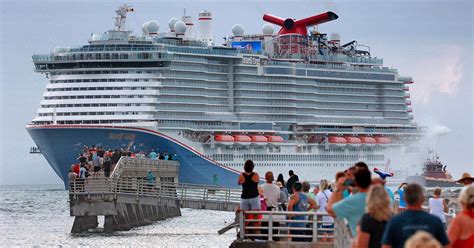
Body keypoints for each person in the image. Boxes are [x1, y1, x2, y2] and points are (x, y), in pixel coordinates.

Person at [381, 183, 449, 248]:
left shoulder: (394, 221)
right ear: (422, 199)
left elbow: (386, 246)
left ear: (405, 198)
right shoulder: (435, 221)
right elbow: (446, 245)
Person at [327, 166, 372, 237]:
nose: (345, 178)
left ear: (354, 179)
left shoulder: (354, 200)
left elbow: (330, 210)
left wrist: (337, 189)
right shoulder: (374, 195)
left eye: (348, 175)